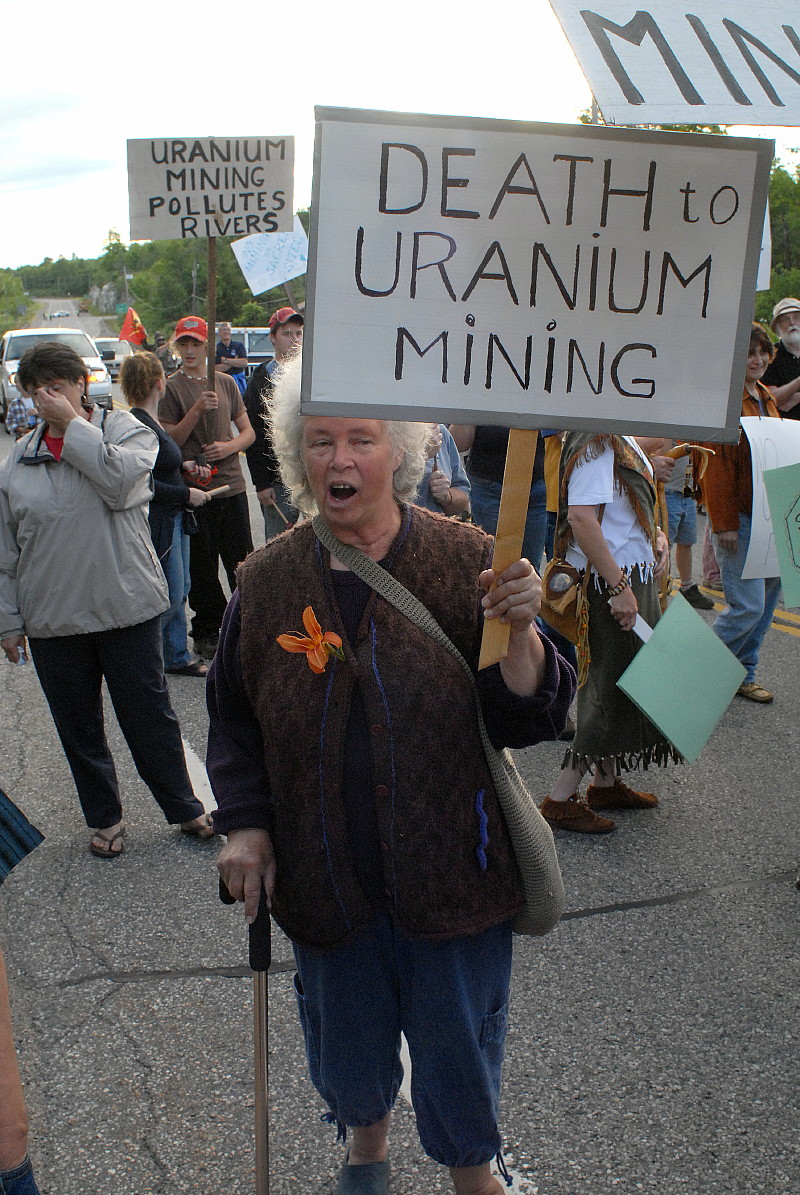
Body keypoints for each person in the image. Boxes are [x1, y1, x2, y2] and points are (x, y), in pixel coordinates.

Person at [208, 355, 575, 1195]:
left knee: (457, 1050)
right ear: (297, 454)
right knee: (351, 1047)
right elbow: (232, 717)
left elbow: (533, 714)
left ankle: (473, 1174)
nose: (340, 459)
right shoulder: (264, 583)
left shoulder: (469, 559)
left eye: (361, 440)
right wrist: (247, 824)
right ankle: (364, 1155)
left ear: (398, 452)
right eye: (322, 439)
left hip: (455, 875)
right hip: (326, 879)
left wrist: (519, 637)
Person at [0, 342, 215, 857]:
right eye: (37, 391)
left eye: (58, 386)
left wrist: (73, 425)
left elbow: (121, 485)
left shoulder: (125, 431)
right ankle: (106, 818)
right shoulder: (17, 461)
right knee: (79, 728)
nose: (47, 399)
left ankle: (185, 807)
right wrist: (8, 622)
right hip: (54, 618)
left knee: (149, 717)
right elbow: (6, 549)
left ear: (82, 383)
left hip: (125, 606)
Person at [539, 431, 677, 835]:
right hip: (610, 584)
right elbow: (581, 519)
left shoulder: (619, 436)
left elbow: (626, 512)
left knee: (621, 685)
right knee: (606, 691)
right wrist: (618, 588)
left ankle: (605, 783)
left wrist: (657, 537)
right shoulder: (596, 439)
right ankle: (560, 799)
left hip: (628, 577)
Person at [159, 316, 255, 660]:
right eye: (183, 343)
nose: (189, 350)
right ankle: (207, 631)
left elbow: (248, 432)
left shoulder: (226, 382)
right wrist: (198, 410)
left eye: (195, 344)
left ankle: (248, 627)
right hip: (196, 490)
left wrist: (230, 447)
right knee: (201, 569)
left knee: (242, 561)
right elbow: (170, 440)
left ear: (207, 345)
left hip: (231, 485)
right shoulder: (171, 387)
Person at [699, 323, 783, 704]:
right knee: (747, 607)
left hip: (771, 515)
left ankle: (743, 674)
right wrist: (725, 523)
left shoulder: (765, 396)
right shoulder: (727, 400)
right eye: (749, 352)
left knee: (765, 603)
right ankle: (693, 671)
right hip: (741, 519)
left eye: (763, 351)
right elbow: (714, 467)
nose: (758, 358)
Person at [121, 351, 212, 678]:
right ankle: (134, 652)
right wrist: (187, 493)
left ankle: (174, 654)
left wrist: (184, 467)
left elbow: (159, 469)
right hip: (160, 519)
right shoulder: (138, 425)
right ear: (159, 383)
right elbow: (143, 483)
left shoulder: (148, 422)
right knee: (169, 593)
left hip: (174, 517)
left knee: (181, 586)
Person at [450, 424, 550, 572]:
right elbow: (458, 443)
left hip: (536, 485)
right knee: (492, 567)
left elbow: (559, 434)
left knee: (528, 570)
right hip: (489, 486)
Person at [242, 306, 304, 540]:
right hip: (275, 480)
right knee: (278, 544)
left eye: (298, 333)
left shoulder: (312, 376)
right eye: (287, 334)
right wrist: (261, 483)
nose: (294, 340)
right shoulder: (260, 379)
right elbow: (254, 435)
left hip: (310, 476)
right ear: (273, 337)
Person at [414, 423, 470, 515]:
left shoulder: (440, 432)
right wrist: (421, 455)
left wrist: (447, 497)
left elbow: (463, 495)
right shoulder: (388, 430)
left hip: (433, 526)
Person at [762, 297, 800, 416]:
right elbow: (771, 399)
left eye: (796, 317)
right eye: (785, 319)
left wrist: (796, 397)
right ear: (777, 328)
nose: (792, 323)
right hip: (783, 428)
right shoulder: (770, 356)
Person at [215, 322, 248, 395]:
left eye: (228, 330)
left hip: (239, 382)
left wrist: (225, 360)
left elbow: (244, 363)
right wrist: (235, 362)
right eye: (223, 330)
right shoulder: (216, 348)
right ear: (219, 332)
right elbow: (216, 368)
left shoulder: (239, 346)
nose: (226, 332)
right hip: (222, 382)